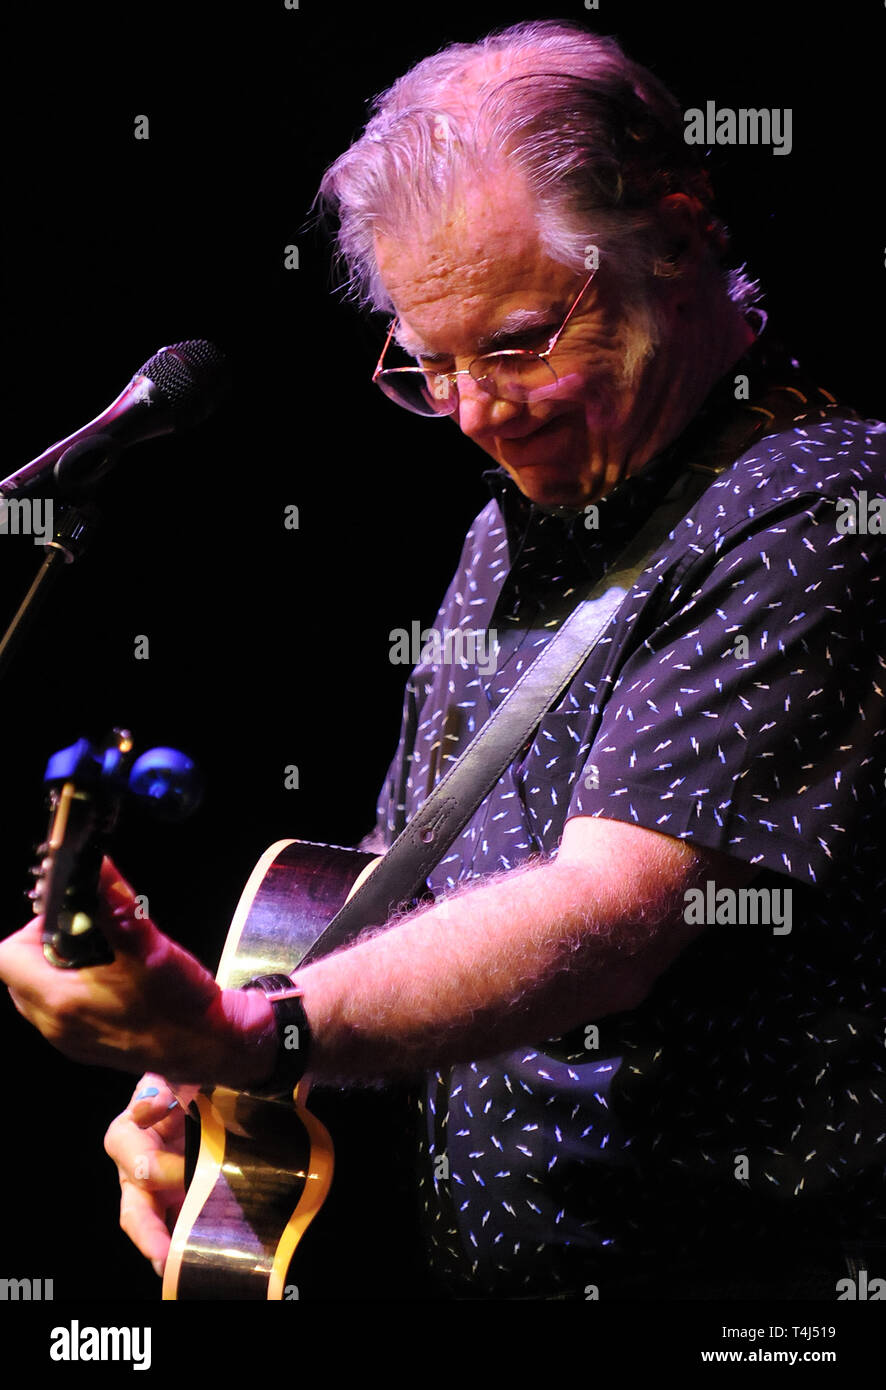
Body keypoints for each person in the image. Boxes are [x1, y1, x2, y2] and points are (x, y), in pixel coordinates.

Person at [1, 20, 883, 1301]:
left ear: (682, 234)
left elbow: (614, 915)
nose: (473, 413)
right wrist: (203, 1069)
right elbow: (395, 894)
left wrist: (258, 1031)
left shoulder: (820, 504)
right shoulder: (515, 519)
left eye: (520, 341)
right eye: (429, 363)